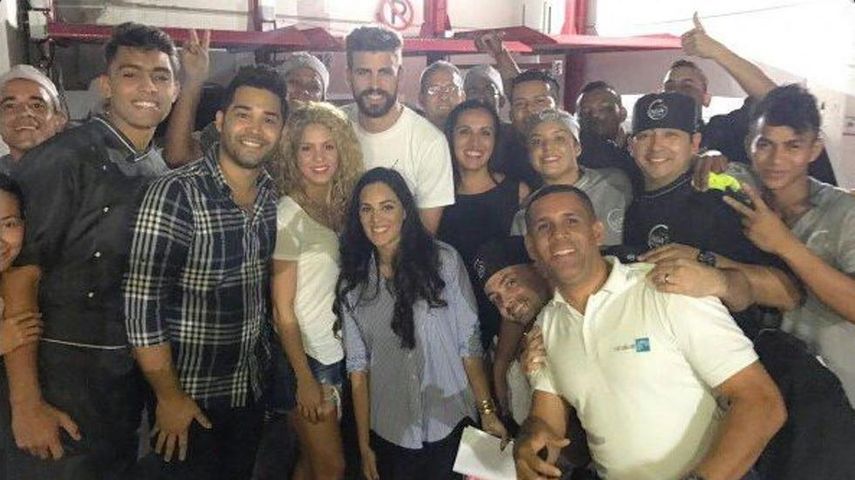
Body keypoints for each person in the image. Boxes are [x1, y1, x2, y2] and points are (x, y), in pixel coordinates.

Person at [2, 22, 179, 479]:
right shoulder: (63, 158)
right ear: (105, 85)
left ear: (175, 90)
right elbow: (19, 275)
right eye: (130, 74)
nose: (147, 87)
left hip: (122, 379)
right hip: (60, 379)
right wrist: (26, 403)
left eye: (160, 76)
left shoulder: (155, 164)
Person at [514, 184, 786, 480]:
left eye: (571, 221)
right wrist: (529, 441)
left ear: (596, 232)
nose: (559, 234)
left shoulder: (667, 288)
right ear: (531, 247)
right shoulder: (546, 326)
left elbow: (762, 402)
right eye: (544, 227)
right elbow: (546, 422)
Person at [123, 65, 286, 479]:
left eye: (269, 119)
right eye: (243, 114)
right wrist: (169, 396)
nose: (255, 129)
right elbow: (143, 309)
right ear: (220, 121)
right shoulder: (177, 193)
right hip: (189, 398)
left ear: (282, 130)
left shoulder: (273, 198)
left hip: (248, 391)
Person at [335, 167, 507, 480]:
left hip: (453, 420)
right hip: (391, 430)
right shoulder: (354, 284)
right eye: (366, 209)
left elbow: (468, 343)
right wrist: (364, 446)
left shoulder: (444, 261)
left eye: (387, 206)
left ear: (405, 211)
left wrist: (487, 411)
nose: (376, 219)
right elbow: (358, 371)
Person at [624, 92, 801, 330]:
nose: (656, 146)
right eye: (645, 136)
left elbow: (787, 293)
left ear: (695, 143)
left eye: (671, 135)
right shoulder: (630, 201)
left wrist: (704, 260)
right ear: (631, 145)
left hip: (727, 354)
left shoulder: (723, 198)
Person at [725, 84, 855, 408]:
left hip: (837, 397)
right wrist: (708, 160)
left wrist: (785, 245)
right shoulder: (739, 192)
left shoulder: (844, 212)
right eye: (765, 144)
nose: (776, 159)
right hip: (761, 391)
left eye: (793, 146)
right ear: (749, 145)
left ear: (814, 149)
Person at [271, 102, 363, 480]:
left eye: (328, 146)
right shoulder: (288, 214)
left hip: (338, 350)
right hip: (308, 359)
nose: (318, 157)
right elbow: (282, 310)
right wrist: (304, 379)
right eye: (307, 148)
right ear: (293, 156)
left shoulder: (341, 209)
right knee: (332, 467)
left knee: (310, 463)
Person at [665, 13, 836, 185]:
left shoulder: (722, 130)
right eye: (669, 86)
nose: (677, 91)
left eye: (688, 85)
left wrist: (716, 51)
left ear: (706, 98)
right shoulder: (648, 139)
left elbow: (778, 102)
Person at [342, 26, 454, 235]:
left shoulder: (429, 142)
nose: (374, 85)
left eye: (385, 72)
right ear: (349, 76)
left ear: (400, 75)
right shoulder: (333, 127)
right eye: (363, 72)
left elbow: (424, 236)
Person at [437, 99, 529, 349]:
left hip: (509, 325)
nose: (474, 143)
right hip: (451, 326)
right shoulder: (435, 196)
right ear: (450, 136)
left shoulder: (517, 192)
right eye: (464, 132)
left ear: (496, 139)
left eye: (485, 133)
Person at [163, 28, 326, 166]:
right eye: (294, 82)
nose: (304, 92)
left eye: (313, 87)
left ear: (324, 98)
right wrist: (193, 79)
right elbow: (178, 156)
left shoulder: (332, 138)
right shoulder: (235, 126)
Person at [511, 108, 631, 247]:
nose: (548, 147)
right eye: (537, 141)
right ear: (529, 154)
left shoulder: (616, 182)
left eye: (559, 138)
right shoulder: (526, 214)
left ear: (577, 147)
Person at [471, 237, 549, 425]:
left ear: (538, 268)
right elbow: (501, 362)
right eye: (495, 298)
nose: (506, 303)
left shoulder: (579, 305)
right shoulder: (524, 330)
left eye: (511, 283)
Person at [0, 65, 67, 174]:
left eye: (36, 105)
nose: (23, 112)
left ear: (59, 121)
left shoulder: (86, 178)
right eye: (10, 106)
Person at [574, 81, 641, 188]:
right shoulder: (575, 155)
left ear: (623, 113)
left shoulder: (640, 150)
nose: (595, 115)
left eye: (604, 109)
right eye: (586, 112)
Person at [418, 61, 465, 130]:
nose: (444, 96)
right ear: (421, 99)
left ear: (463, 96)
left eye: (450, 89)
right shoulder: (409, 137)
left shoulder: (476, 137)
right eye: (434, 90)